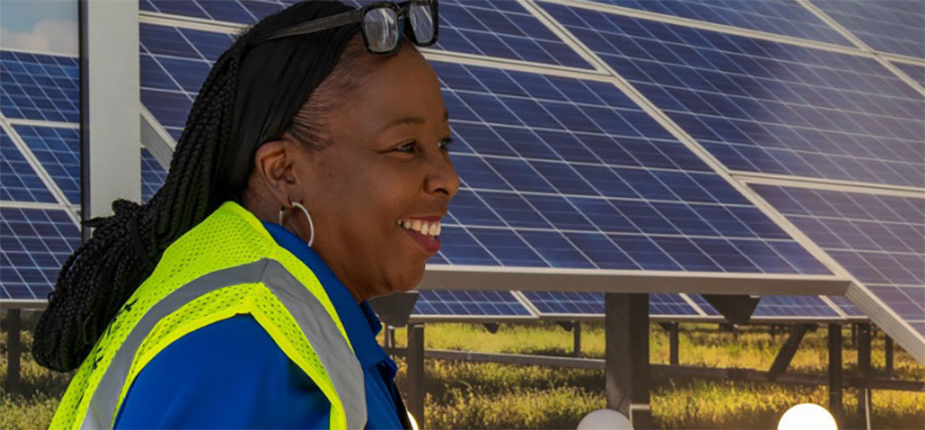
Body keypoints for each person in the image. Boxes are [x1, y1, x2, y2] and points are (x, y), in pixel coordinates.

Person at [33, 1, 458, 428]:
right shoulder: (245, 350)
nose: (448, 179)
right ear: (283, 171)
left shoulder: (287, 322)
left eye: (444, 145)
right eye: (405, 148)